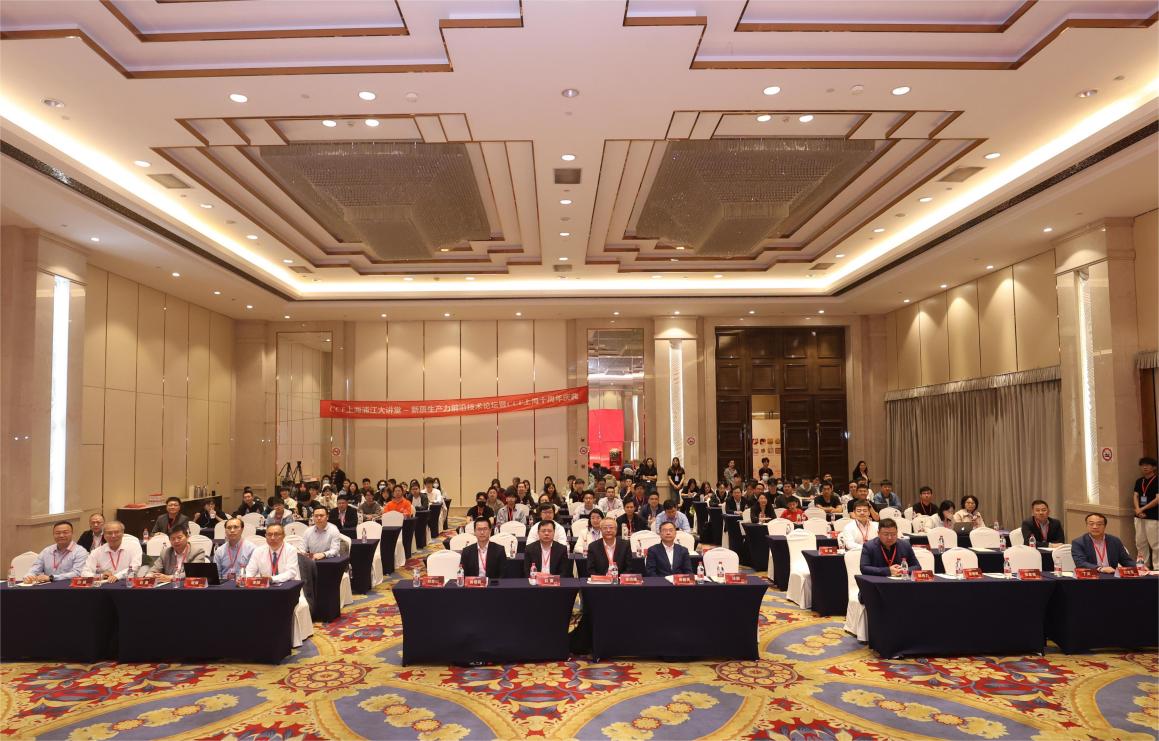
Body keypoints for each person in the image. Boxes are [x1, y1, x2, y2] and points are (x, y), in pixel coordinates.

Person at [1133, 456, 1158, 568]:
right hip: (1139, 516)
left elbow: (1157, 499)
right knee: (1140, 542)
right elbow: (1135, 496)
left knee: (1155, 543)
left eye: (1147, 465)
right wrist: (1137, 509)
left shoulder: (1157, 480)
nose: (1145, 467)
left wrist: (1142, 509)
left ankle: (1157, 568)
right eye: (1142, 465)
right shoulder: (1139, 481)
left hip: (1153, 516)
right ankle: (1142, 566)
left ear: (1154, 467)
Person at [212, 517, 254, 581]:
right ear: (225, 531)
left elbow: (254, 574)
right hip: (224, 585)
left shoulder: (252, 549)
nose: (232, 530)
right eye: (229, 528)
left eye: (236, 527)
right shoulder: (219, 551)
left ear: (242, 529)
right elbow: (216, 575)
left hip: (244, 584)